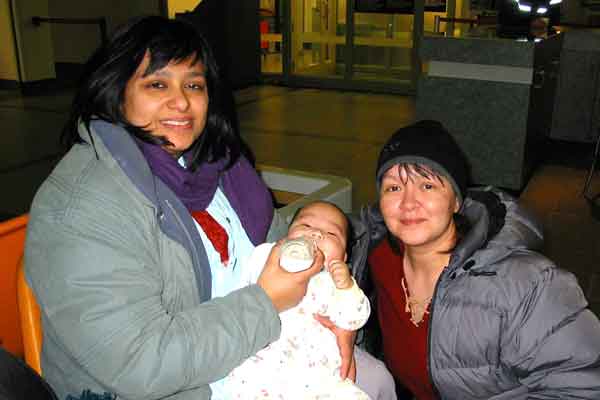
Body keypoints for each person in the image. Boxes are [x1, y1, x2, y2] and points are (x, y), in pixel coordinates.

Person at [23, 16, 388, 400]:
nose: (181, 101)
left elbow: (286, 247)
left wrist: (338, 323)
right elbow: (139, 363)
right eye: (158, 84)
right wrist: (265, 305)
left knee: (376, 378)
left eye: (193, 84)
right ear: (117, 92)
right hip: (178, 385)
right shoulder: (84, 206)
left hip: (264, 353)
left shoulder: (218, 167)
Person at [349, 120, 600, 399]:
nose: (409, 203)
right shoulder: (372, 252)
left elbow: (584, 389)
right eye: (393, 188)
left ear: (456, 201)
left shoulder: (527, 286)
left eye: (428, 186)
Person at [223, 201, 377, 399]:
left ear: (343, 256)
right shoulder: (268, 258)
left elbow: (354, 318)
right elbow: (246, 288)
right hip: (263, 366)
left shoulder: (336, 282)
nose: (316, 234)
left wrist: (347, 287)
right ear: (285, 237)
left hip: (320, 375)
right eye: (306, 226)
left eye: (331, 234)